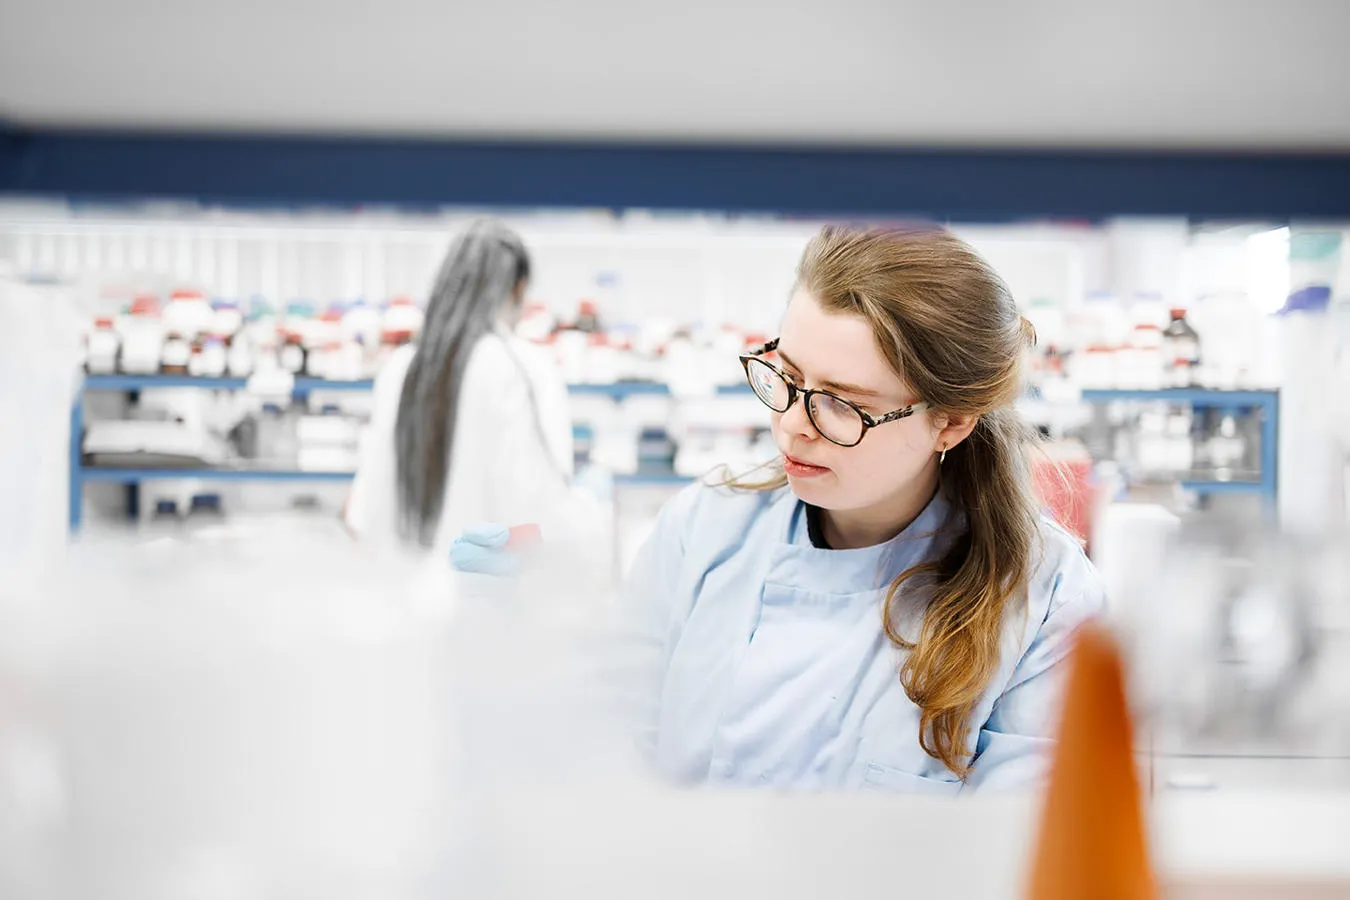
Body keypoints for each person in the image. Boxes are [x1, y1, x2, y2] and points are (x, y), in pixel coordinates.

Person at [613, 224, 1106, 793]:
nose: (794, 426)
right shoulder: (702, 529)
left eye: (842, 404)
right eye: (789, 378)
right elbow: (610, 748)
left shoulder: (1046, 599)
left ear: (949, 422)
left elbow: (1030, 847)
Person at [345, 219, 603, 568]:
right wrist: (593, 505)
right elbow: (536, 511)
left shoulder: (401, 366)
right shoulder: (517, 364)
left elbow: (364, 513)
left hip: (401, 599)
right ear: (517, 289)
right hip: (483, 602)